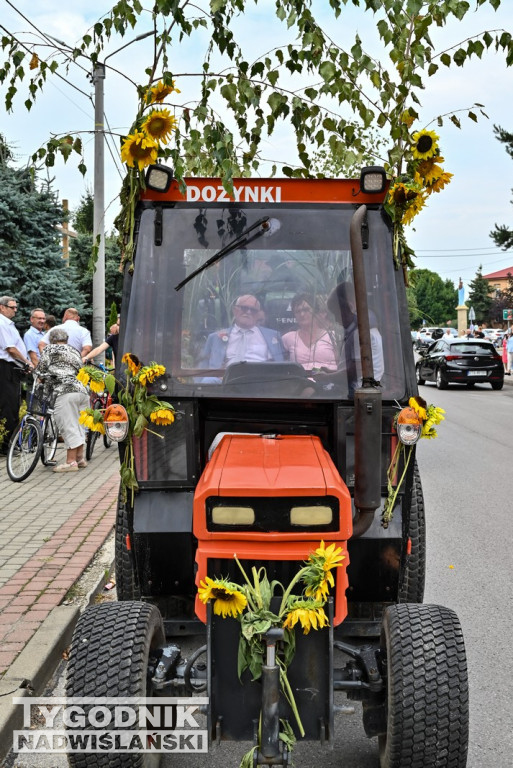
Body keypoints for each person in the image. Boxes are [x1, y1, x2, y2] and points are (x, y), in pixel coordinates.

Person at [36, 327, 90, 472]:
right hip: (82, 391)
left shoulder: (49, 349)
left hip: (65, 391)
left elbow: (41, 370)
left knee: (68, 425)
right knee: (79, 425)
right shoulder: (74, 351)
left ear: (52, 340)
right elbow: (80, 369)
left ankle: (70, 462)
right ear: (66, 340)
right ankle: (80, 459)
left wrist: (40, 377)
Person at [325, 282, 385, 396]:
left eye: (337, 313)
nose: (336, 320)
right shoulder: (365, 328)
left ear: (351, 307)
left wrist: (327, 377)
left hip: (357, 391)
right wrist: (331, 372)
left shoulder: (361, 333)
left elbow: (354, 371)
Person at [198, 294, 285, 370]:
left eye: (253, 310)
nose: (248, 312)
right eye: (244, 308)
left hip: (260, 382)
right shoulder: (215, 338)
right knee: (208, 380)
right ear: (235, 310)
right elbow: (202, 368)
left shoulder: (273, 336)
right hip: (224, 382)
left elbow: (281, 368)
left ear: (258, 314)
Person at [0, 296, 34, 450]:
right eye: (12, 307)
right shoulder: (2, 323)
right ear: (2, 307)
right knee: (9, 407)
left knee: (13, 405)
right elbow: (11, 349)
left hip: (11, 368)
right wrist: (27, 362)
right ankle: (6, 446)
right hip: (5, 367)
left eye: (15, 307)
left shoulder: (8, 324)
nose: (15, 310)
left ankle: (8, 443)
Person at [282, 293, 338, 371]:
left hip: (329, 381)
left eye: (306, 310)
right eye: (298, 311)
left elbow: (343, 366)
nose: (302, 314)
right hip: (299, 382)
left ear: (315, 311)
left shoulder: (333, 336)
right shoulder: (288, 338)